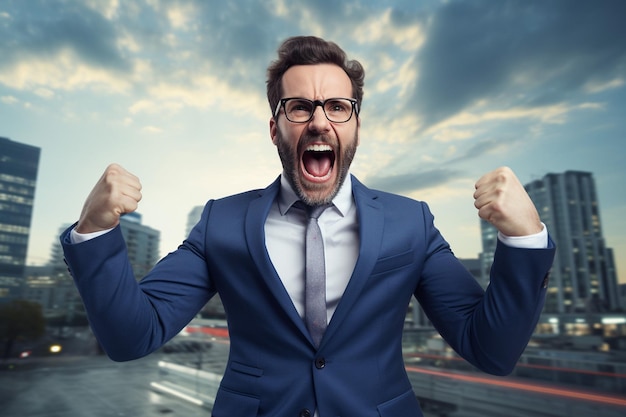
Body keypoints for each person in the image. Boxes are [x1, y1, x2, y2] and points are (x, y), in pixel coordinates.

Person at [61, 36, 555, 417]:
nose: (320, 122)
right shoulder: (222, 222)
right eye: (299, 106)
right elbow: (133, 337)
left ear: (356, 126)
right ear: (275, 127)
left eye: (338, 107)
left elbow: (488, 349)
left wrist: (525, 236)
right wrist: (95, 230)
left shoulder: (411, 222)